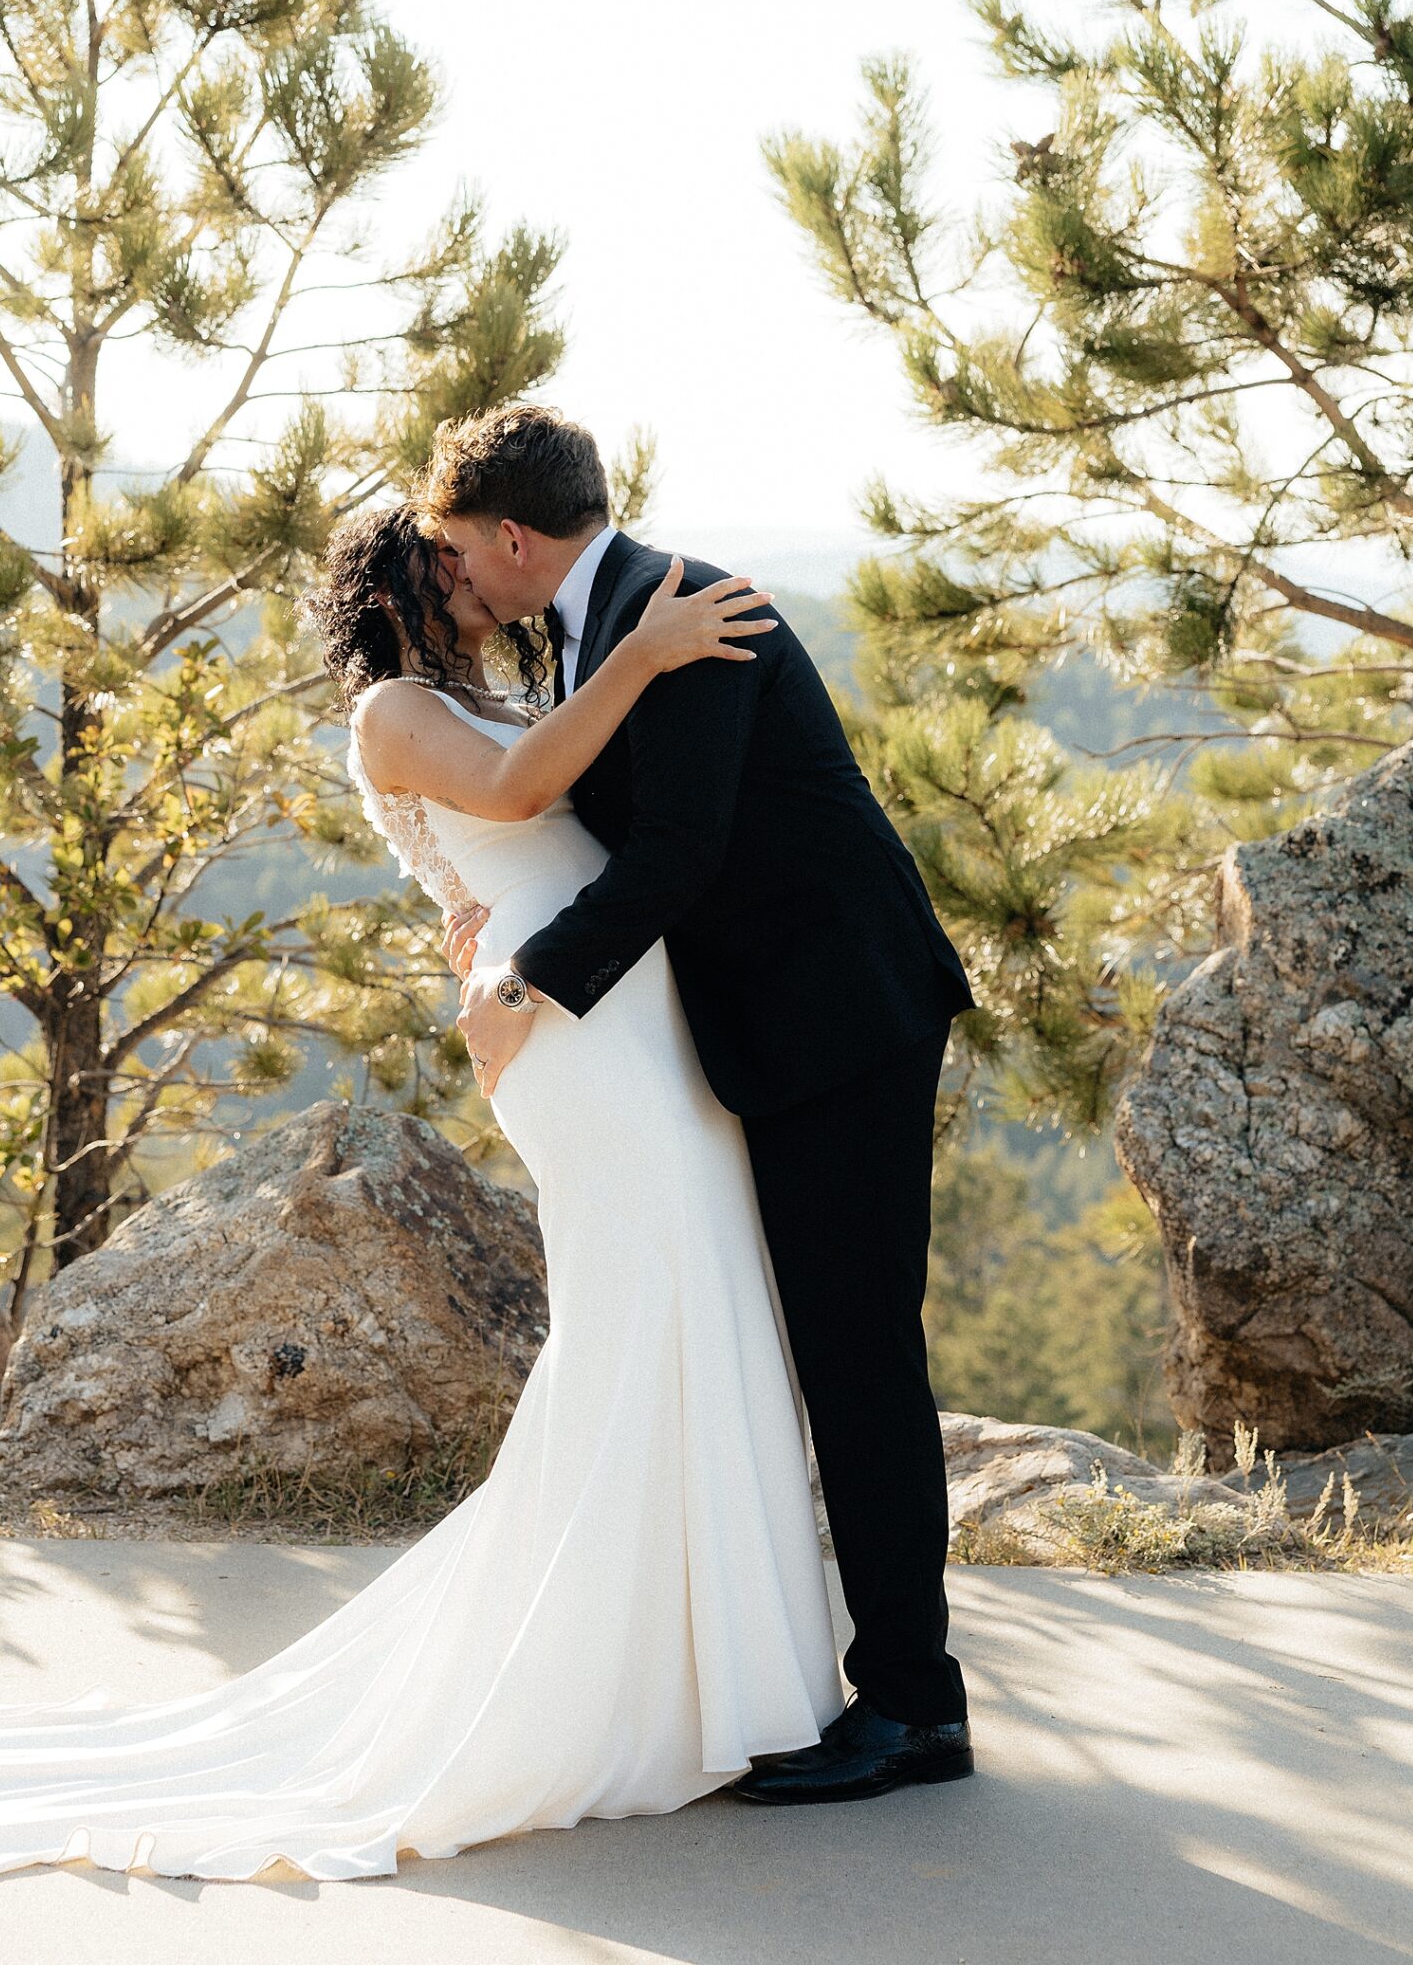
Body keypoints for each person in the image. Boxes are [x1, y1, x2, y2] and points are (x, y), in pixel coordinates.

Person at [0, 499, 851, 1887]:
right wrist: (647, 655)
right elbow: (515, 796)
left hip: (620, 1011)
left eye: (469, 552)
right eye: (443, 561)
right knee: (640, 1315)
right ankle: (616, 1679)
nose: (473, 575)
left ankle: (707, 1666)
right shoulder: (393, 710)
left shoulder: (497, 688)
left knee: (698, 1299)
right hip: (568, 1035)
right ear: (398, 590)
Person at [421, 403, 976, 1802]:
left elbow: (677, 853)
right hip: (772, 1027)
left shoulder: (687, 615)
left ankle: (915, 1709)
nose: (457, 579)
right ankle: (814, 1678)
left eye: (460, 551)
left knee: (857, 1356)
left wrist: (525, 985)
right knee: (819, 1349)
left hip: (842, 1019)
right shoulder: (600, 625)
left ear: (509, 535)